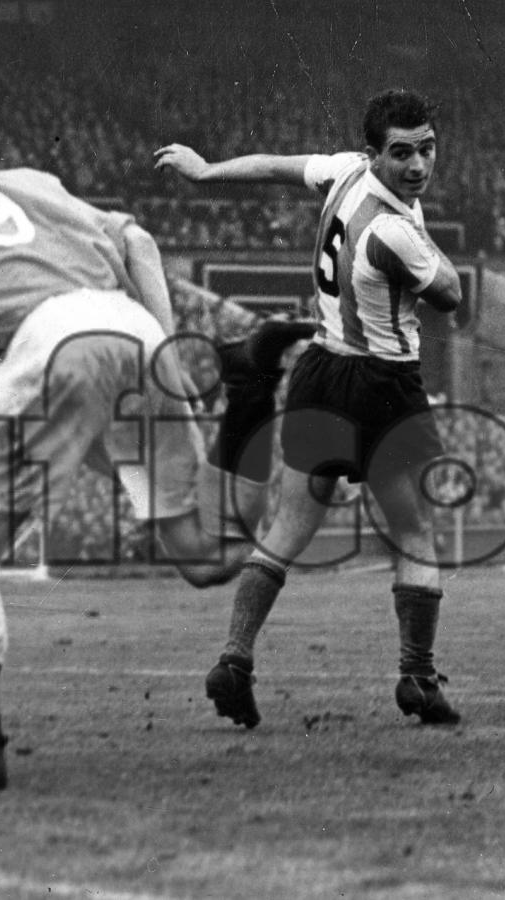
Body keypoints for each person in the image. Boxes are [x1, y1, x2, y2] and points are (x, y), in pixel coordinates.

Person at [0, 98, 311, 790]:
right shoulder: (23, 180)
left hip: (54, 342)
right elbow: (138, 245)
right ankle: (253, 388)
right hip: (133, 328)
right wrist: (167, 353)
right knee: (209, 558)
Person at [154, 88, 464, 728]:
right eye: (402, 153)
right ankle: (417, 677)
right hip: (385, 382)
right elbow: (452, 295)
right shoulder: (396, 232)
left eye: (427, 150)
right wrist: (428, 263)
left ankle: (234, 659)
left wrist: (207, 168)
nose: (417, 166)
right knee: (414, 531)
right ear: (374, 153)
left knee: (287, 531)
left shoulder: (341, 170)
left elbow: (275, 164)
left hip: (320, 373)